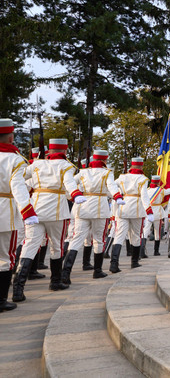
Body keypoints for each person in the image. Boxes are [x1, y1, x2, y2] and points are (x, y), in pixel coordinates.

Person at [14, 138, 86, 302]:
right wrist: (75, 194)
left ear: (50, 151)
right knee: (57, 246)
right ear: (65, 151)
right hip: (56, 212)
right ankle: (55, 282)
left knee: (30, 245)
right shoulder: (66, 166)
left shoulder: (37, 164)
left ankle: (18, 289)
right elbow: (69, 183)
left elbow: (20, 176)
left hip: (36, 210)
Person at [61, 149, 124, 284]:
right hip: (99, 209)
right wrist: (117, 196)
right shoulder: (107, 173)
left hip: (82, 207)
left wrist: (73, 197)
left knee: (76, 239)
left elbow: (68, 184)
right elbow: (112, 187)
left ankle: (65, 273)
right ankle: (97, 271)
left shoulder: (83, 172)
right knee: (98, 240)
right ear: (104, 160)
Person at [0, 119, 38, 311]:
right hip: (5, 213)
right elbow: (18, 187)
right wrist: (27, 211)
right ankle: (0, 300)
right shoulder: (15, 160)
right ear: (11, 136)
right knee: (5, 259)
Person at [111, 157, 154, 272]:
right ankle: (134, 262)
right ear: (141, 166)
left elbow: (112, 185)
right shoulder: (143, 179)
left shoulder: (122, 177)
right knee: (136, 236)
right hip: (136, 209)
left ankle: (113, 264)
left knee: (119, 235)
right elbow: (144, 196)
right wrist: (149, 211)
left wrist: (118, 197)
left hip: (123, 207)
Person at [145, 175, 166, 257]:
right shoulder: (161, 190)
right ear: (158, 182)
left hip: (148, 212)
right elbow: (169, 191)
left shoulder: (147, 190)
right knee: (157, 233)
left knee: (145, 231)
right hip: (157, 212)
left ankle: (142, 250)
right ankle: (156, 251)